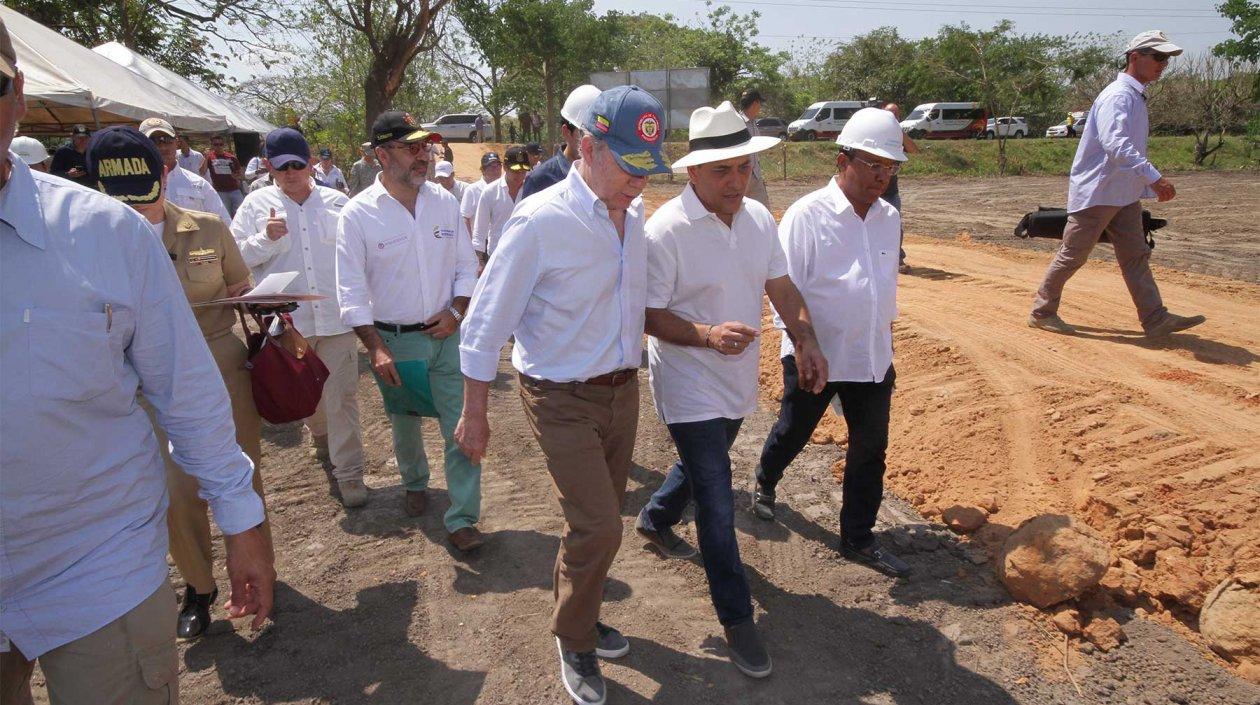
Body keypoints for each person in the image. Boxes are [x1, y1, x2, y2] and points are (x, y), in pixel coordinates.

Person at [1, 31, 273, 702]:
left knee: (184, 491)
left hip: (97, 568)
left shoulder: (106, 233)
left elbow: (186, 385)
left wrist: (242, 519)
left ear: (17, 97)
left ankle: (199, 584)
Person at [456, 85, 672, 705]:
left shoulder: (634, 219)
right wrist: (475, 413)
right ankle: (573, 637)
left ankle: (582, 608)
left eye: (646, 170)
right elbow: (486, 324)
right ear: (588, 145)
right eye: (631, 167)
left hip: (619, 391)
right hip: (558, 394)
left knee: (596, 526)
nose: (639, 183)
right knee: (600, 523)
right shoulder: (539, 220)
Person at [634, 101, 828, 680]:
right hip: (687, 376)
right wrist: (706, 334)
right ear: (693, 171)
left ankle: (655, 516)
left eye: (742, 167)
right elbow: (648, 314)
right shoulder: (664, 230)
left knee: (706, 464)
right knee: (718, 497)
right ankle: (738, 617)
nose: (736, 180)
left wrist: (807, 339)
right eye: (722, 170)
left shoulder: (759, 220)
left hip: (736, 377)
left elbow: (781, 284)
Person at [81, 126, 275, 644]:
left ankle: (259, 569)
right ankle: (199, 587)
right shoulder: (86, 242)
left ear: (165, 173)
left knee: (241, 472)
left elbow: (239, 288)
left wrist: (264, 301)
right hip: (138, 383)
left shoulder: (208, 228)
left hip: (219, 364)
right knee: (176, 491)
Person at [751, 108, 913, 579]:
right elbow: (784, 286)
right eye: (873, 165)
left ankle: (858, 538)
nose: (882, 176)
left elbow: (881, 287)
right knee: (793, 430)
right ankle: (766, 477)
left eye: (891, 167)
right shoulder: (807, 215)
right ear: (843, 160)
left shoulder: (888, 218)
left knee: (870, 449)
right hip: (815, 353)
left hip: (871, 356)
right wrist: (802, 346)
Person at [335, 111, 483, 552]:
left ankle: (462, 518)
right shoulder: (358, 215)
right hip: (395, 340)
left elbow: (465, 266)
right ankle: (414, 481)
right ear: (382, 155)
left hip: (447, 335)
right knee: (405, 422)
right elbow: (351, 290)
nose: (424, 156)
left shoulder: (444, 202)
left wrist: (457, 310)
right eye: (412, 147)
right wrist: (376, 348)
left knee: (459, 427)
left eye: (426, 147)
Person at [1029, 30, 1204, 338]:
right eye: (1159, 57)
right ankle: (1042, 312)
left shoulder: (1133, 94)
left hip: (1122, 192)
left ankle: (1155, 318)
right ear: (1135, 57)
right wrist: (1154, 177)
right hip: (1100, 191)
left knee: (1136, 255)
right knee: (1074, 254)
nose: (1164, 64)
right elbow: (1116, 144)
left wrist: (1143, 183)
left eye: (1167, 59)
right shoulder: (1118, 95)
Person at [232, 128, 367, 508]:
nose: (290, 173)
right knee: (310, 397)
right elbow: (234, 264)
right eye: (280, 167)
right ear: (269, 169)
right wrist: (264, 240)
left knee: (343, 396)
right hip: (290, 325)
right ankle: (321, 437)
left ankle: (350, 473)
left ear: (310, 162)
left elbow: (360, 256)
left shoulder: (339, 203)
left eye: (296, 164)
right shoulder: (255, 207)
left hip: (337, 319)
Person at [139, 117, 231, 226]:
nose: (162, 146)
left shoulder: (198, 184)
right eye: (153, 141)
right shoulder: (130, 187)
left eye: (166, 139)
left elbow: (224, 226)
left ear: (176, 142)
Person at [521, 84, 600, 199]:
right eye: (585, 133)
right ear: (566, 132)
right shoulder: (540, 180)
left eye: (599, 135)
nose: (593, 142)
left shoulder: (609, 176)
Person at [471, 145, 531, 266]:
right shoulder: (490, 192)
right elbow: (479, 231)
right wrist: (480, 262)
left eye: (523, 171)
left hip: (525, 257)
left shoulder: (532, 190)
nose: (519, 175)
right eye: (515, 171)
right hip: (497, 257)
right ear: (505, 167)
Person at [880, 102, 919, 275]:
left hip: (890, 191)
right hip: (869, 189)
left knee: (895, 225)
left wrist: (898, 131)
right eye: (890, 115)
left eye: (896, 116)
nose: (893, 118)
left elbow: (914, 150)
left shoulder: (898, 137)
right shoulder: (875, 133)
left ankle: (897, 260)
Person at [735, 89, 769, 208]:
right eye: (760, 104)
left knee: (764, 210)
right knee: (738, 210)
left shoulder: (753, 123)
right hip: (741, 175)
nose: (760, 108)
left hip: (755, 174)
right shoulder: (736, 122)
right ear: (755, 103)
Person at [458, 151, 502, 239]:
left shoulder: (505, 188)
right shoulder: (472, 190)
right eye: (492, 167)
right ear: (483, 170)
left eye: (498, 166)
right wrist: (470, 243)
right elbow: (465, 217)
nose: (496, 170)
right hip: (480, 242)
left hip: (500, 241)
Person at [200, 134, 245, 217]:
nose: (219, 146)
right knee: (225, 215)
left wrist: (237, 176)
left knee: (242, 212)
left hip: (234, 190)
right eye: (216, 144)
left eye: (221, 144)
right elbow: (202, 172)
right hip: (220, 191)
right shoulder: (209, 157)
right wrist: (205, 157)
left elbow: (241, 175)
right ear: (212, 145)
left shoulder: (231, 157)